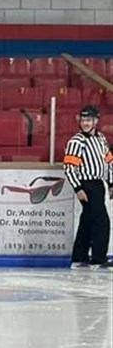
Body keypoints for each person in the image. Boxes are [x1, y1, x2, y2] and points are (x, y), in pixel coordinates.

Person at [63, 105, 113, 269]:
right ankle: (98, 259)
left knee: (87, 220)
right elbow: (69, 168)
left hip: (99, 184)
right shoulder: (76, 141)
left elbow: (109, 162)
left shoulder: (101, 139)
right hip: (87, 184)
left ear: (96, 121)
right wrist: (78, 188)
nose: (85, 123)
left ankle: (79, 258)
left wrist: (111, 183)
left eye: (88, 120)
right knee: (101, 221)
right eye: (83, 119)